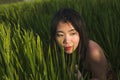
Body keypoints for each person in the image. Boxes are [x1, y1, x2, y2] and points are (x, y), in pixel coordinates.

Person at [50, 8, 116, 80]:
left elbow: (101, 78)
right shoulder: (52, 50)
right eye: (60, 35)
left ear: (80, 33)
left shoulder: (93, 52)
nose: (67, 41)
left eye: (72, 33)